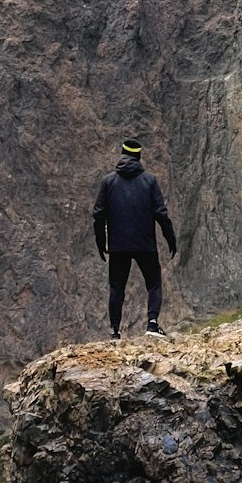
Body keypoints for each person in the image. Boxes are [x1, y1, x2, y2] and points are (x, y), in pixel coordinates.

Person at [92, 138, 177, 338]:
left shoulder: (108, 181)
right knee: (154, 283)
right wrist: (170, 237)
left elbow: (98, 214)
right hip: (145, 244)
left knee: (117, 287)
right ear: (139, 156)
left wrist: (100, 242)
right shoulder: (149, 181)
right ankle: (152, 324)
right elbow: (161, 213)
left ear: (122, 154)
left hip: (118, 245)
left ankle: (114, 332)